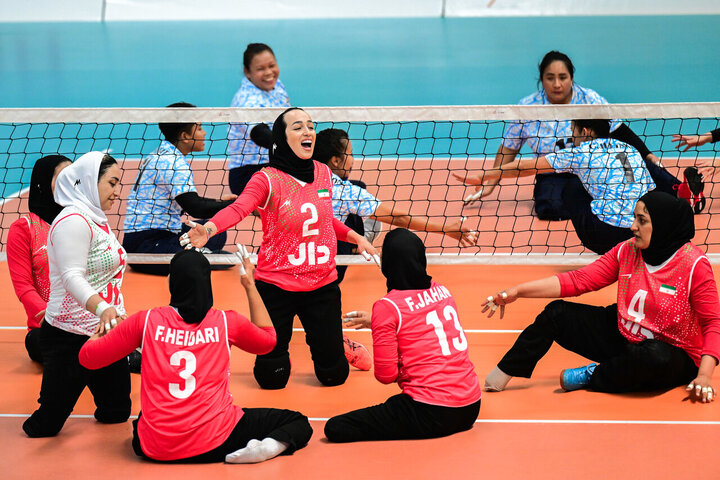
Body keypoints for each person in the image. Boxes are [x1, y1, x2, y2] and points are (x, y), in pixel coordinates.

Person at [181, 107, 379, 390]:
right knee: (271, 379)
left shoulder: (323, 172)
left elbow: (322, 217)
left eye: (310, 125)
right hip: (276, 286)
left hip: (321, 285)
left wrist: (354, 236)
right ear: (282, 139)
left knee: (334, 376)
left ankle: (337, 344)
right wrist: (209, 228)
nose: (308, 131)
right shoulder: (267, 179)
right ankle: (322, 341)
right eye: (298, 127)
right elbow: (239, 208)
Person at [79, 249, 313, 463]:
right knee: (297, 421)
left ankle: (168, 439)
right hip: (216, 442)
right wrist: (249, 284)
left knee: (142, 420)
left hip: (153, 448)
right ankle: (269, 448)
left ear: (173, 282)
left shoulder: (145, 321)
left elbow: (88, 358)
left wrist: (103, 327)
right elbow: (269, 341)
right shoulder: (226, 322)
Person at [482, 191, 719, 402]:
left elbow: (713, 323)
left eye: (642, 220)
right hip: (626, 335)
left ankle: (594, 375)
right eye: (635, 218)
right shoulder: (627, 250)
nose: (633, 226)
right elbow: (578, 281)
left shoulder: (693, 265)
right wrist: (517, 291)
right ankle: (504, 372)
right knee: (557, 313)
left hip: (672, 353)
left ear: (664, 226)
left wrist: (705, 375)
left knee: (653, 358)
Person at [325, 228, 481, 442]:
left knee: (335, 428)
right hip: (471, 406)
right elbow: (421, 322)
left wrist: (383, 329)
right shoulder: (443, 291)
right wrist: (380, 324)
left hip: (430, 411)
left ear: (388, 264)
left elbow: (386, 375)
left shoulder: (387, 307)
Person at [482, 50, 679, 220]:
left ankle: (683, 192)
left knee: (641, 167)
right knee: (548, 208)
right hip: (553, 172)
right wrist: (491, 181)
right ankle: (600, 201)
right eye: (550, 78)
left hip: (594, 167)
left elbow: (618, 130)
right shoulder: (527, 108)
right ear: (541, 79)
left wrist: (647, 153)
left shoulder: (589, 99)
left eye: (563, 77)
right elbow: (509, 147)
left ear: (572, 77)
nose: (557, 84)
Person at [23, 152, 131, 437]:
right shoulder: (72, 221)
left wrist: (113, 313)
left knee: (117, 413)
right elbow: (72, 277)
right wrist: (103, 308)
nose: (117, 192)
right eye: (112, 183)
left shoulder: (97, 218)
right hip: (68, 335)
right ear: (88, 183)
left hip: (105, 332)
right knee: (44, 428)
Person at [456, 119, 655, 254]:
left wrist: (484, 176)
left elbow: (525, 167)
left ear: (584, 132)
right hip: (641, 231)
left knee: (571, 186)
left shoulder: (580, 153)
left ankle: (609, 249)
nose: (572, 138)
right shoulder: (629, 148)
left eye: (573, 132)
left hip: (606, 235)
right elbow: (650, 191)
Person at [123, 102, 237, 276]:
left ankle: (200, 253)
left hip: (153, 236)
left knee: (215, 231)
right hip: (148, 246)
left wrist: (222, 203)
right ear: (185, 136)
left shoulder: (160, 153)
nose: (204, 132)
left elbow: (189, 201)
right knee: (193, 259)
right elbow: (195, 207)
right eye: (199, 128)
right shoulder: (173, 163)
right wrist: (238, 205)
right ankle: (198, 256)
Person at [8, 155, 72, 363]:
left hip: (85, 318)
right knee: (40, 342)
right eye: (62, 178)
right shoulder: (24, 228)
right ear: (44, 183)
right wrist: (52, 318)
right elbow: (24, 287)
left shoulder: (81, 220)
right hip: (46, 327)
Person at [227, 43, 290, 194]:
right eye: (261, 69)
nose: (269, 73)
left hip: (276, 165)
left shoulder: (277, 87)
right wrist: (289, 147)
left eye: (272, 66)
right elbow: (259, 133)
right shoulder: (246, 100)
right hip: (248, 174)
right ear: (247, 72)